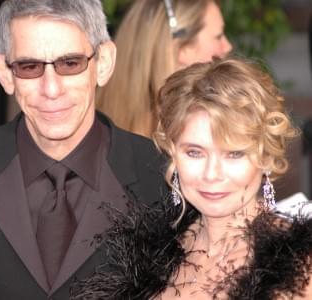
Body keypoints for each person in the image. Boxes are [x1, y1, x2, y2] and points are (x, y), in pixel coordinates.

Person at [0, 1, 165, 299]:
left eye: (70, 64)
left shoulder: (162, 176)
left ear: (103, 63)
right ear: (3, 71)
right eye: (30, 67)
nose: (51, 89)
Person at [71, 57, 312, 299]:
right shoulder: (150, 255)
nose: (212, 174)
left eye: (234, 154)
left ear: (266, 156)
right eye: (195, 152)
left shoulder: (300, 262)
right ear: (172, 152)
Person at [97, 0, 232, 137]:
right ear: (182, 48)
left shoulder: (101, 128)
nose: (227, 46)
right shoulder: (193, 131)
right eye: (218, 36)